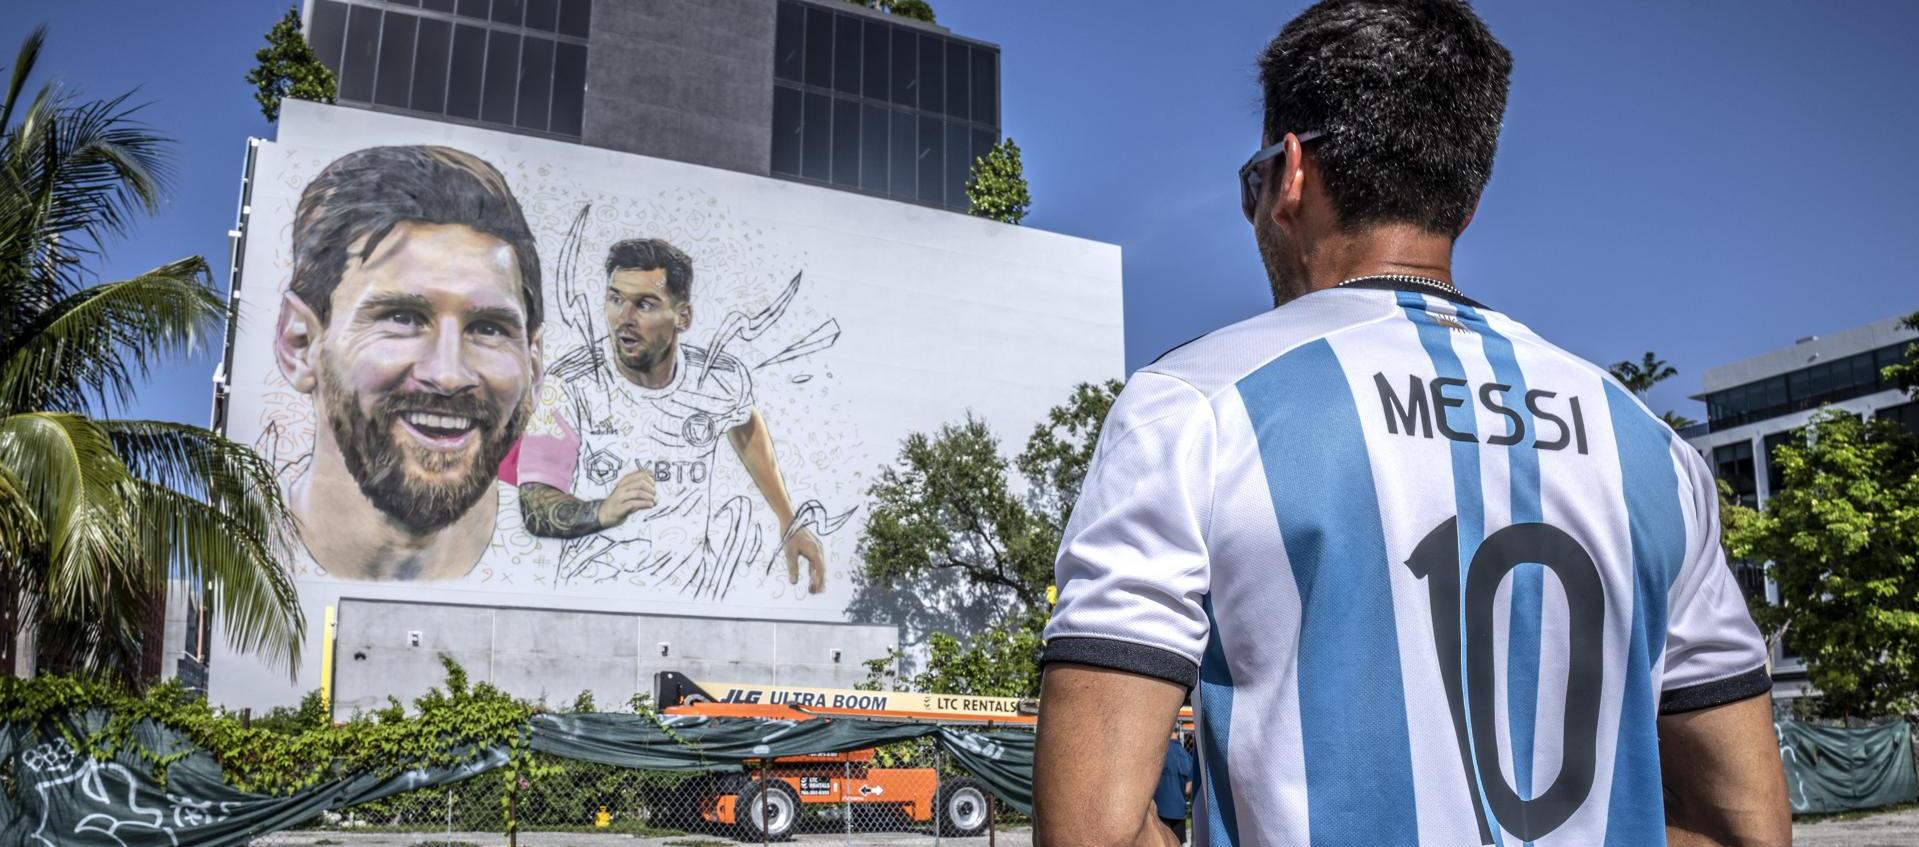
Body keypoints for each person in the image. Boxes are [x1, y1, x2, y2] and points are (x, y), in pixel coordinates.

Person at [1032, 2, 1791, 846]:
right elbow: (1745, 828)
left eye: (1253, 183)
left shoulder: (1193, 407)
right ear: (1466, 205)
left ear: (1289, 174)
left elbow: (1090, 829)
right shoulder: (1650, 450)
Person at [273, 145, 544, 581]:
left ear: (534, 366)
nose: (448, 375)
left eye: (488, 328)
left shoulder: (579, 567)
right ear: (299, 343)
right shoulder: (236, 553)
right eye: (402, 319)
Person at [514, 239, 827, 597]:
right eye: (615, 299)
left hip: (695, 602)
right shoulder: (569, 384)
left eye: (644, 304)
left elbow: (746, 427)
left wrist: (789, 519)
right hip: (594, 599)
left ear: (683, 317)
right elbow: (534, 502)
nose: (624, 318)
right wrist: (602, 511)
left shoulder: (718, 378)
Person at [1154, 729, 1195, 844]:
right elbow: (1188, 788)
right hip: (1179, 812)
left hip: (1160, 811)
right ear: (1177, 734)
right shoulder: (1186, 756)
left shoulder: (1159, 754)